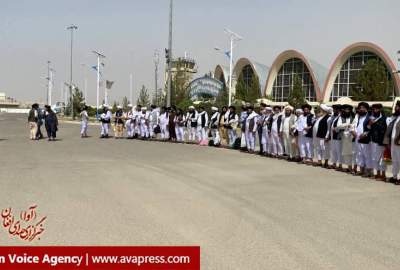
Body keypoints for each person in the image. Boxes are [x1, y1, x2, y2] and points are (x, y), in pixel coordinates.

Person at [352, 102, 372, 177]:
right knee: (359, 155)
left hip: (366, 139)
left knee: (367, 155)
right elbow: (353, 125)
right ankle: (361, 170)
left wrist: (366, 133)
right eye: (360, 108)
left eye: (363, 108)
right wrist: (353, 131)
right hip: (357, 138)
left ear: (366, 109)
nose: (361, 109)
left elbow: (371, 128)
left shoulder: (370, 117)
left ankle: (368, 171)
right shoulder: (358, 117)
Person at [369, 103, 387, 180]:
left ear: (380, 109)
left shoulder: (384, 118)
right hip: (373, 140)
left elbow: (385, 129)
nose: (375, 110)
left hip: (381, 141)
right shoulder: (372, 118)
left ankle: (383, 175)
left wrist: (375, 123)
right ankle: (378, 173)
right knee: (375, 158)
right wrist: (370, 123)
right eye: (374, 109)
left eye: (376, 109)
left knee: (382, 158)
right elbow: (368, 128)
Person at [383, 101, 400, 184]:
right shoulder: (395, 117)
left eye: (397, 106)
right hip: (393, 142)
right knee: (395, 160)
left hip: (399, 142)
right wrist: (387, 142)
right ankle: (394, 176)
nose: (396, 108)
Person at [335, 104, 355, 173]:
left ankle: (354, 167)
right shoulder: (341, 117)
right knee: (347, 152)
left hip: (353, 136)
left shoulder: (354, 117)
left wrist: (350, 126)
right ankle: (349, 167)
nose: (347, 111)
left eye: (348, 110)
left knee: (353, 152)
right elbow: (338, 126)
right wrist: (347, 124)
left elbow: (354, 125)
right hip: (344, 137)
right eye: (345, 109)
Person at [329, 105, 343, 170]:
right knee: (334, 150)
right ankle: (334, 163)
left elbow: (341, 126)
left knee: (338, 151)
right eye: (333, 109)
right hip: (333, 136)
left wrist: (336, 129)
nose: (334, 110)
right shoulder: (334, 117)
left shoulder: (341, 117)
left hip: (338, 136)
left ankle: (340, 165)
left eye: (335, 109)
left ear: (338, 110)